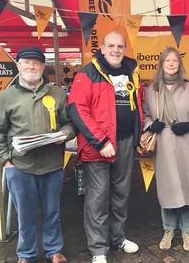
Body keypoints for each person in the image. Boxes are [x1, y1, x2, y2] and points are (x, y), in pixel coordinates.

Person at [0, 46, 76, 263]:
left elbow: (70, 124)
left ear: (42, 67)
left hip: (52, 164)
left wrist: (63, 134)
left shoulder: (56, 93)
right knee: (25, 215)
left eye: (36, 63)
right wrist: (6, 161)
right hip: (19, 166)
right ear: (18, 66)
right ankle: (25, 254)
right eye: (26, 62)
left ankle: (53, 250)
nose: (31, 67)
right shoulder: (6, 96)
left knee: (52, 211)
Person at [67, 31, 143, 263]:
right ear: (101, 48)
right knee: (98, 198)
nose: (116, 50)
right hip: (98, 146)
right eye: (111, 46)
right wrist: (100, 141)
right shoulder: (86, 73)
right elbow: (76, 109)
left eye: (120, 46)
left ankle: (117, 238)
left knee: (121, 193)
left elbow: (137, 104)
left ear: (125, 49)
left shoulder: (132, 72)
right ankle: (99, 249)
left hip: (126, 141)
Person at [142, 47, 189, 252]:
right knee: (168, 188)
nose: (171, 64)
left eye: (175, 61)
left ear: (180, 64)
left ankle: (187, 231)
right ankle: (169, 229)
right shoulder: (151, 90)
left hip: (187, 143)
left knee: (188, 186)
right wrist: (151, 125)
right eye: (167, 61)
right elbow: (145, 115)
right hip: (163, 143)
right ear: (161, 64)